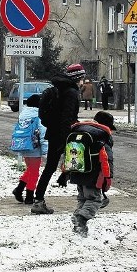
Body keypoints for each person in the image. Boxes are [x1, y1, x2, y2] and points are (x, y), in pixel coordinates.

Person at [31, 63, 85, 215]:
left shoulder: (59, 88)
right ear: (77, 78)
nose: (82, 81)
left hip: (54, 133)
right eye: (82, 78)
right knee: (77, 165)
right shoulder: (71, 92)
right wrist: (65, 140)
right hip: (66, 135)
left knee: (50, 168)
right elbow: (67, 117)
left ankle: (38, 200)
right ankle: (86, 200)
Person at [68, 111, 115, 237]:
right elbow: (107, 159)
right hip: (93, 174)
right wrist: (108, 177)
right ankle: (81, 220)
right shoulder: (101, 136)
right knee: (94, 199)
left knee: (83, 198)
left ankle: (77, 221)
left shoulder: (79, 130)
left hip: (77, 170)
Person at [11, 94, 48, 205]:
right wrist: (46, 150)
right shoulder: (38, 116)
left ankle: (19, 189)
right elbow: (43, 134)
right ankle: (29, 196)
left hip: (24, 145)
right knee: (34, 172)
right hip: (35, 147)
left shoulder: (24, 115)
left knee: (31, 169)